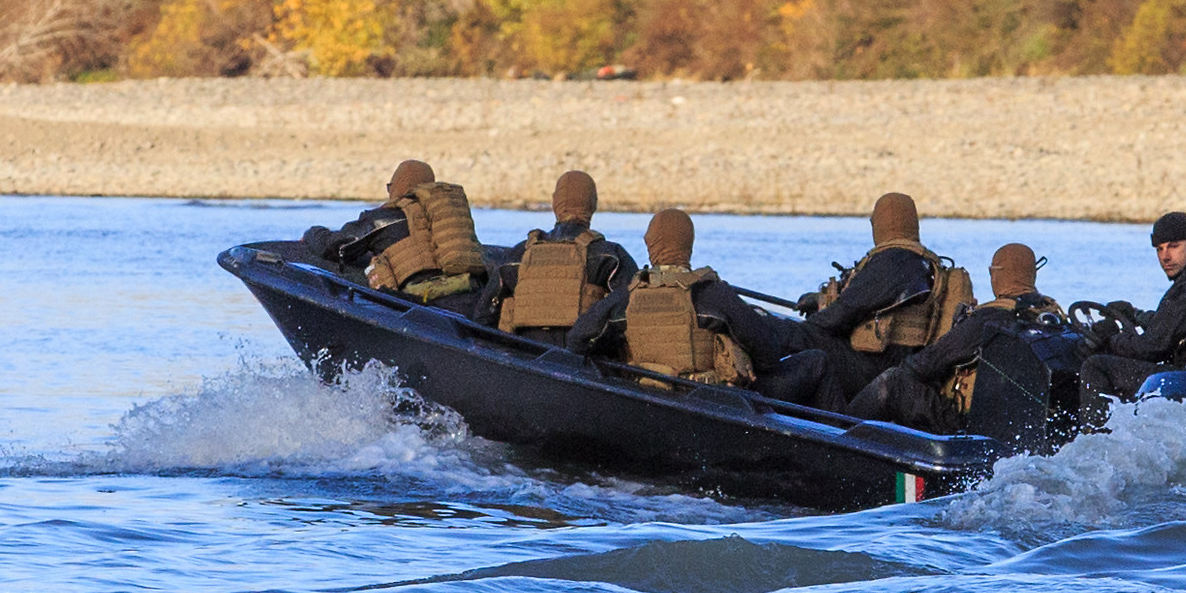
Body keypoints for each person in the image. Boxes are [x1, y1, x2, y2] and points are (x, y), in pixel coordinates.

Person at [566, 209, 808, 390]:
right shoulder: (713, 293)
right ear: (688, 244)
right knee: (816, 363)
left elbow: (577, 339)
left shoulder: (627, 297)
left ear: (650, 245)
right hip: (712, 400)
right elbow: (768, 354)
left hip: (645, 394)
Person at [847, 243, 1061, 432]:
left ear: (997, 275)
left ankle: (838, 434)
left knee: (893, 382)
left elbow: (924, 366)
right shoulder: (1052, 315)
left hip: (964, 422)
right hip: (1016, 423)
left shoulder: (989, 318)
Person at [779, 192, 963, 408]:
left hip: (875, 367)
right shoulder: (925, 265)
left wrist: (788, 331)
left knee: (800, 334)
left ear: (879, 223)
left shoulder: (894, 260)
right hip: (899, 366)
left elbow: (837, 318)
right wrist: (821, 301)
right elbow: (870, 301)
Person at [1079, 210, 1186, 401]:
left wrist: (1111, 339)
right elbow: (1172, 326)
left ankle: (1095, 431)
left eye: (1173, 247)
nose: (1165, 257)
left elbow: (1151, 347)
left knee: (1096, 367)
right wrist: (1136, 315)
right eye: (1160, 249)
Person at [476, 169, 639, 344]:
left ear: (555, 205)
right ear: (592, 205)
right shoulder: (610, 256)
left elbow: (483, 317)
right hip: (582, 358)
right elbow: (634, 309)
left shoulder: (520, 254)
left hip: (525, 355)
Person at [301, 159, 486, 311]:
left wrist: (312, 233)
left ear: (399, 187)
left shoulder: (382, 218)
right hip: (469, 293)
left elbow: (337, 247)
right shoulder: (447, 218)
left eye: (390, 187)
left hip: (422, 299)